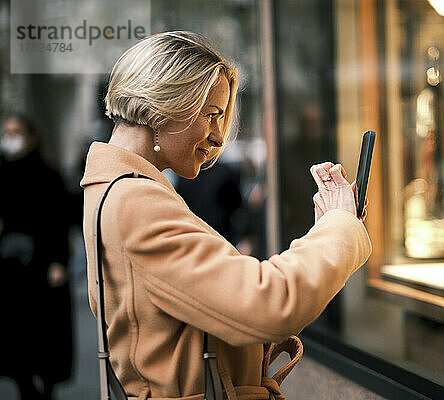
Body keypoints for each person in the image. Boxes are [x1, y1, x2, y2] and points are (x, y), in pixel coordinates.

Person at [80, 31, 371, 400]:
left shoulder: (116, 189)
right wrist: (339, 225)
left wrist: (328, 229)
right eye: (212, 115)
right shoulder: (135, 200)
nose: (219, 138)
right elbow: (270, 302)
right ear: (162, 104)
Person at [0, 113, 73, 399]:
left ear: (31, 136)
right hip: (8, 268)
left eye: (16, 131)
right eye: (7, 132)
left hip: (41, 268)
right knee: (13, 338)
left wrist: (59, 261)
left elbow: (58, 222)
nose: (10, 138)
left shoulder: (47, 174)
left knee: (45, 337)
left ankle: (46, 387)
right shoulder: (3, 170)